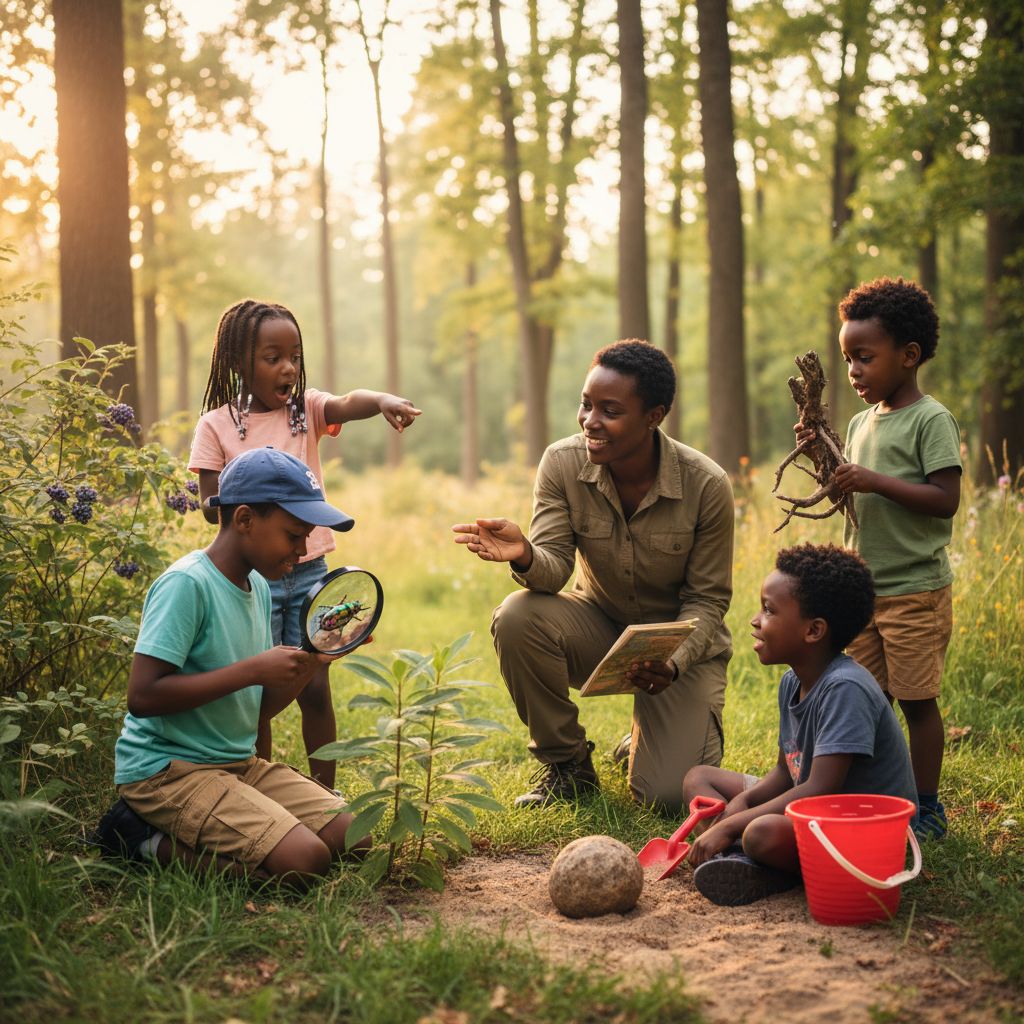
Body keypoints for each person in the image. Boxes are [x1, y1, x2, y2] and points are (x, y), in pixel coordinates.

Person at [453, 340, 734, 811]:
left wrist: (674, 660)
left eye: (610, 410)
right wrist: (524, 554)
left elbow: (707, 601)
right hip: (600, 623)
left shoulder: (706, 485)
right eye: (586, 405)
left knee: (665, 797)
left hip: (677, 648)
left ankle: (643, 740)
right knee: (518, 616)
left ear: (654, 416)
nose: (590, 422)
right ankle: (568, 766)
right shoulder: (562, 463)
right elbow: (554, 570)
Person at [93, 448, 371, 889]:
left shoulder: (258, 585)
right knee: (306, 862)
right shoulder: (187, 585)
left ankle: (230, 828)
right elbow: (142, 698)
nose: (302, 551)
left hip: (236, 765)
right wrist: (253, 670)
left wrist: (313, 661)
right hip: (168, 771)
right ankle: (140, 839)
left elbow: (257, 709)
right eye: (294, 535)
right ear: (244, 519)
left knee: (356, 836)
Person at [189, 299, 421, 787]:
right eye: (273, 357)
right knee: (260, 694)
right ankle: (258, 788)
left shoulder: (305, 412)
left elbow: (346, 402)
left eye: (294, 355)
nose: (288, 367)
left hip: (311, 571)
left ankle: (324, 793)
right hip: (252, 583)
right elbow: (211, 502)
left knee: (315, 688)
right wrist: (256, 501)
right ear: (238, 362)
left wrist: (382, 401)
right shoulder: (216, 425)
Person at [799, 277, 961, 840]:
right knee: (862, 700)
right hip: (865, 592)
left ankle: (927, 805)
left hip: (915, 590)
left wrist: (873, 480)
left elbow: (945, 501)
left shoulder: (930, 420)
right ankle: (868, 796)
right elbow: (849, 493)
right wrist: (824, 454)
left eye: (864, 358)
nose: (853, 371)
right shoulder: (858, 424)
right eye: (848, 359)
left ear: (909, 355)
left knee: (917, 702)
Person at [684, 543, 917, 907]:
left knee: (759, 833)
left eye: (769, 610)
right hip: (812, 808)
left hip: (862, 833)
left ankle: (765, 866)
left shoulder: (845, 689)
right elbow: (785, 771)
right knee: (699, 779)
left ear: (813, 631)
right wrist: (742, 801)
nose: (756, 620)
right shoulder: (793, 681)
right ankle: (744, 855)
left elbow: (821, 788)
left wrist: (734, 823)